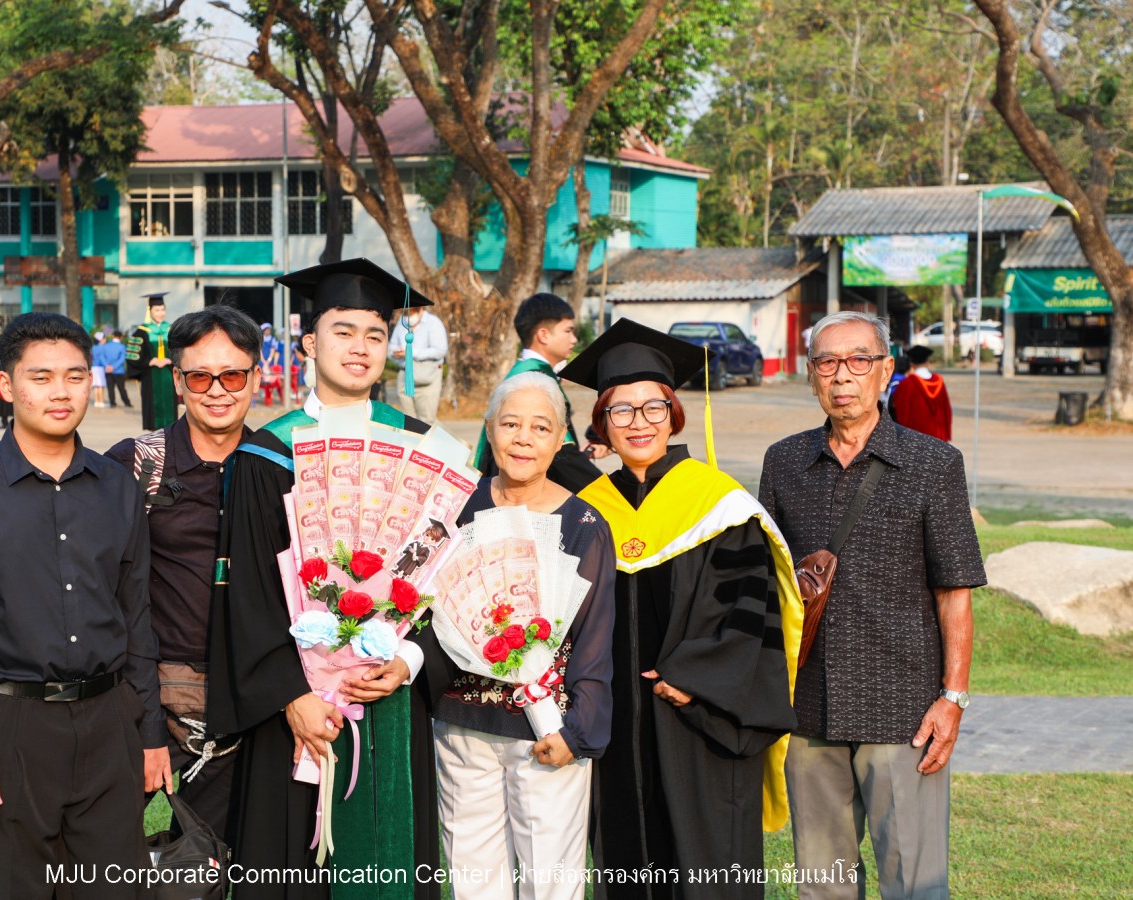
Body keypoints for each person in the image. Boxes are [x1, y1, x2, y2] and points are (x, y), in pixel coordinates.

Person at [206, 258, 451, 898]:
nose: (360, 348)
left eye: (375, 334)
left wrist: (409, 660)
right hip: (299, 711)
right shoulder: (268, 454)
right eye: (343, 332)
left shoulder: (424, 448)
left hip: (387, 693)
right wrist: (294, 695)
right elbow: (252, 597)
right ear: (310, 342)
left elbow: (445, 578)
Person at [0, 312, 172, 900]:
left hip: (110, 725)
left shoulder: (119, 487)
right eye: (41, 377)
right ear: (6, 386)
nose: (60, 392)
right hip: (9, 726)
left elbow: (136, 617)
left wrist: (150, 731)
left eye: (75, 376)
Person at [562, 318, 803, 898]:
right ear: (603, 425)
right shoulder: (588, 510)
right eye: (621, 411)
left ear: (673, 413)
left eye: (652, 408)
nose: (638, 423)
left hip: (699, 722)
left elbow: (750, 613)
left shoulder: (719, 507)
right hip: (615, 728)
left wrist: (694, 679)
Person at [759, 311, 985, 899]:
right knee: (821, 883)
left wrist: (952, 699)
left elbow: (953, 591)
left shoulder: (935, 464)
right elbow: (771, 586)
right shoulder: (784, 463)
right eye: (827, 362)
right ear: (811, 376)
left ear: (886, 370)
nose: (843, 376)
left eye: (858, 360)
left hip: (903, 712)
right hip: (809, 712)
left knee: (913, 882)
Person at [433, 371, 615, 899]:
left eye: (541, 427)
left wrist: (577, 729)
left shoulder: (583, 522)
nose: (523, 438)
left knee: (550, 880)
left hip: (546, 729)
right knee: (472, 878)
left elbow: (593, 634)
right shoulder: (459, 506)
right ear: (489, 430)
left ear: (561, 439)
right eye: (510, 423)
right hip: (463, 723)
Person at [105, 305, 262, 852]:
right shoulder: (136, 463)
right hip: (140, 696)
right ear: (177, 380)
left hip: (237, 706)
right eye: (200, 376)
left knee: (202, 863)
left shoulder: (278, 467)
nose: (217, 390)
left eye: (233, 375)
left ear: (255, 378)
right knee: (95, 853)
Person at [472, 293, 603, 492]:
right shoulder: (535, 383)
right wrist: (607, 491)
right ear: (543, 335)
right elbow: (564, 459)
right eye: (568, 331)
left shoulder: (523, 375)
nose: (574, 339)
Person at [388, 305, 448, 426]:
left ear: (420, 310)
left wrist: (411, 353)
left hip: (426, 375)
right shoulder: (402, 322)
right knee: (407, 420)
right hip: (404, 374)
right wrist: (396, 353)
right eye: (405, 314)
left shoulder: (433, 322)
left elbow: (440, 350)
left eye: (411, 313)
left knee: (426, 420)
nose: (408, 317)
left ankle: (436, 443)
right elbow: (391, 347)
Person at [127, 292, 178, 430]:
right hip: (150, 374)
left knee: (170, 407)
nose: (161, 313)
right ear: (150, 311)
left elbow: (181, 351)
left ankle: (171, 433)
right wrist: (151, 361)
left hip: (169, 373)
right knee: (152, 408)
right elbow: (133, 355)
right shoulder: (142, 331)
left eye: (163, 309)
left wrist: (170, 359)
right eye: (157, 310)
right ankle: (153, 435)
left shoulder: (172, 329)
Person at [891, 345, 953, 441]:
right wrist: (946, 433)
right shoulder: (939, 382)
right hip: (938, 437)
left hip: (916, 438)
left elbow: (901, 413)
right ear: (927, 362)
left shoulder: (906, 384)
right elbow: (946, 410)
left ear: (911, 363)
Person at [102, 331, 133, 409]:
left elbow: (102, 357)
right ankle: (127, 403)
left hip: (108, 371)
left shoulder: (106, 346)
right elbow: (122, 359)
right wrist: (114, 367)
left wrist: (107, 366)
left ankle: (112, 403)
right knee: (121, 388)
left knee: (110, 388)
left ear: (113, 336)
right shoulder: (122, 346)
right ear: (121, 337)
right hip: (119, 371)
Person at [90, 331, 110, 408]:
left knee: (96, 386)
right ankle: (101, 402)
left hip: (94, 367)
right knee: (101, 386)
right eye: (104, 338)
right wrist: (107, 365)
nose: (105, 339)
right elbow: (102, 358)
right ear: (101, 339)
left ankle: (96, 402)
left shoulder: (93, 347)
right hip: (100, 368)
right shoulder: (102, 347)